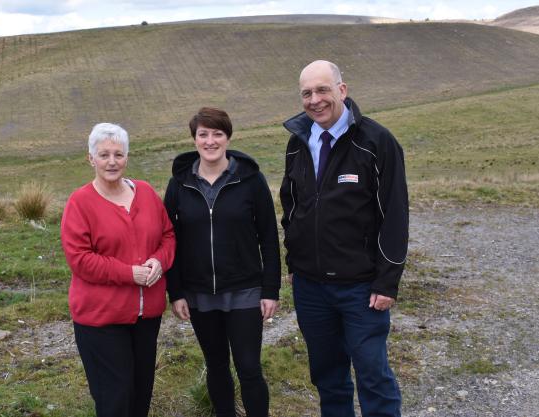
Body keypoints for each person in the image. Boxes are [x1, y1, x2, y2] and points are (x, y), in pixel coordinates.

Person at [279, 60, 408, 417]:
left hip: (361, 288)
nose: (315, 100)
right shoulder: (297, 142)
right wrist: (295, 263)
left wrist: (387, 281)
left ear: (342, 90)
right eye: (307, 93)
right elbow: (291, 207)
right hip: (310, 287)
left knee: (372, 375)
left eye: (323, 90)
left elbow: (395, 216)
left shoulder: (377, 142)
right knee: (328, 376)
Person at [164, 107, 281, 417]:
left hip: (244, 290)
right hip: (199, 293)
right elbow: (168, 239)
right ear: (194, 139)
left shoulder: (251, 180)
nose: (210, 141)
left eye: (217, 133)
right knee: (216, 365)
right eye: (203, 134)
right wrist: (175, 292)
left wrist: (270, 290)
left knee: (248, 366)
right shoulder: (179, 183)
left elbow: (268, 237)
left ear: (228, 137)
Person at [60, 122, 175, 417]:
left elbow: (168, 236)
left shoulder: (147, 193)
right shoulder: (80, 202)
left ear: (127, 157)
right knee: (115, 396)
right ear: (91, 159)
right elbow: (80, 259)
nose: (112, 161)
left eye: (119, 154)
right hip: (101, 318)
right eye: (104, 155)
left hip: (146, 315)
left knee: (140, 392)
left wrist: (160, 262)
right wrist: (130, 273)